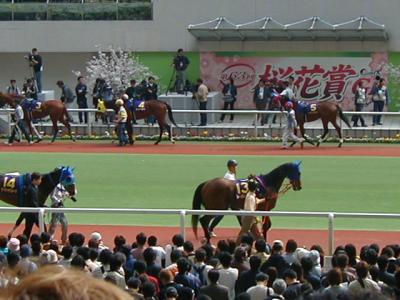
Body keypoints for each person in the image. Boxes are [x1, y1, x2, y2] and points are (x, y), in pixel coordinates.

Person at [208, 159, 238, 237]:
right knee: (221, 214)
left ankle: (245, 230)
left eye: (236, 166)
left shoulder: (232, 174)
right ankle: (210, 229)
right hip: (226, 199)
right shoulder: (229, 176)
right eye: (234, 166)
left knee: (237, 212)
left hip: (229, 198)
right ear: (230, 167)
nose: (236, 168)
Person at [236, 179, 264, 244]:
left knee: (257, 235)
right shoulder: (251, 197)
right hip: (248, 219)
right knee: (243, 234)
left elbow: (257, 200)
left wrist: (265, 199)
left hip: (249, 219)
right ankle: (236, 247)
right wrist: (256, 219)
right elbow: (251, 211)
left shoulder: (250, 194)